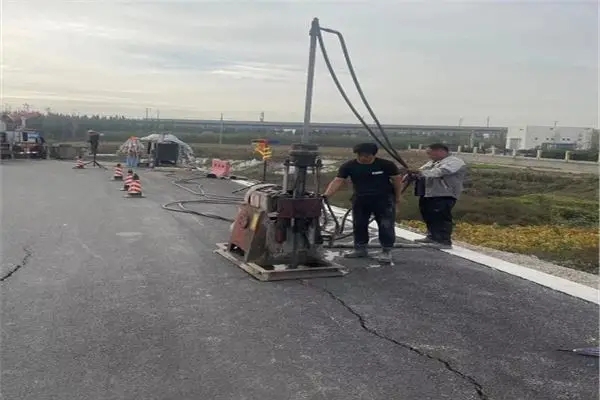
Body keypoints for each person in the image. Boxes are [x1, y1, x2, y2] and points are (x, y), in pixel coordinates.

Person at [323, 142, 403, 262]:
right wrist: (326, 195)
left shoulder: (386, 165)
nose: (363, 158)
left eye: (367, 156)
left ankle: (386, 251)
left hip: (383, 200)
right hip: (361, 199)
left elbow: (397, 180)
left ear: (373, 155)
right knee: (359, 224)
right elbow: (338, 180)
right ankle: (360, 249)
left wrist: (398, 197)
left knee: (385, 225)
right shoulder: (349, 166)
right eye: (361, 155)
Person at [407, 143, 466, 249]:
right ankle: (432, 236)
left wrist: (420, 172)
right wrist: (413, 175)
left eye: (431, 153)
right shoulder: (433, 162)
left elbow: (439, 172)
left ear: (440, 151)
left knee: (441, 217)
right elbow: (422, 170)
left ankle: (443, 241)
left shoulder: (455, 162)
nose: (429, 156)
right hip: (429, 193)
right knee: (428, 215)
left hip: (444, 194)